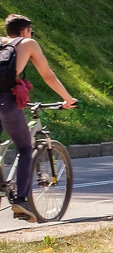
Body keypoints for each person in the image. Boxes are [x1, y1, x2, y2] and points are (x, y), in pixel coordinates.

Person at [1, 14, 77, 222]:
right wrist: (68, 99)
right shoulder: (28, 43)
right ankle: (21, 201)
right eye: (30, 31)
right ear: (25, 30)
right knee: (25, 148)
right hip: (5, 101)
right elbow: (48, 75)